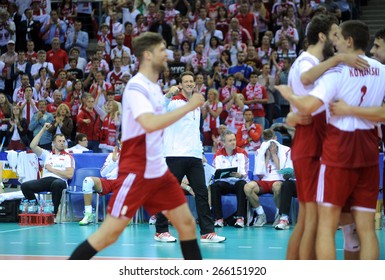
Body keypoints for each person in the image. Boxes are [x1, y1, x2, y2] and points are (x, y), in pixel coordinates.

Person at [69, 32, 205, 260]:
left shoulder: (154, 87)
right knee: (109, 234)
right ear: (148, 55)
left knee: (187, 224)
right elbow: (150, 123)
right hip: (137, 170)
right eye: (162, 50)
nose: (167, 54)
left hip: (158, 169)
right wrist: (189, 106)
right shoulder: (136, 87)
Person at [276, 20, 385, 260]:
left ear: (349, 40)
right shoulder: (381, 69)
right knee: (365, 228)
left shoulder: (336, 71)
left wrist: (288, 96)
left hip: (337, 148)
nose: (335, 41)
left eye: (339, 36)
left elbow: (307, 103)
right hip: (368, 147)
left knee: (323, 225)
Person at [154, 71, 226, 243]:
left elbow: (195, 131)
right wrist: (168, 95)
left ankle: (207, 232)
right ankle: (161, 231)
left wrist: (199, 151)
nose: (188, 83)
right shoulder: (173, 101)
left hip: (194, 156)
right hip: (174, 155)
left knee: (201, 193)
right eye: (185, 81)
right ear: (180, 84)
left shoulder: (196, 105)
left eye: (191, 81)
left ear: (195, 84)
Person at [21, 123, 75, 219]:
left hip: (60, 181)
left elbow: (69, 175)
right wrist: (43, 130)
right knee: (25, 186)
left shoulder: (68, 157)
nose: (62, 143)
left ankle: (53, 214)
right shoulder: (47, 154)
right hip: (45, 180)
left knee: (57, 184)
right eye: (59, 141)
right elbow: (32, 145)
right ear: (53, 143)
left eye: (63, 141)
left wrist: (52, 169)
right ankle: (36, 208)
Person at [244, 128, 293, 227]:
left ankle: (279, 214)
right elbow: (260, 174)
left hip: (278, 180)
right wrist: (266, 157)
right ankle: (261, 214)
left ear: (276, 139)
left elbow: (284, 173)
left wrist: (274, 155)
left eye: (272, 141)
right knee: (248, 188)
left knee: (277, 186)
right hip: (264, 181)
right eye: (267, 141)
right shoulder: (260, 151)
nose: (270, 144)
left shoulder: (286, 150)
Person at [210, 130, 249, 228]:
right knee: (214, 186)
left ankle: (240, 218)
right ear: (223, 143)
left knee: (242, 184)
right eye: (230, 140)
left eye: (234, 140)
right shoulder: (218, 155)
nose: (233, 142)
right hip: (224, 182)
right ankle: (218, 219)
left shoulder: (242, 153)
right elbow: (216, 172)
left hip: (238, 181)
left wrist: (239, 175)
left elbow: (244, 172)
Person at [79, 143, 120, 225]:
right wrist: (113, 161)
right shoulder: (112, 155)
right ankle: (88, 214)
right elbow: (103, 173)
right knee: (88, 181)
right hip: (109, 181)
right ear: (119, 141)